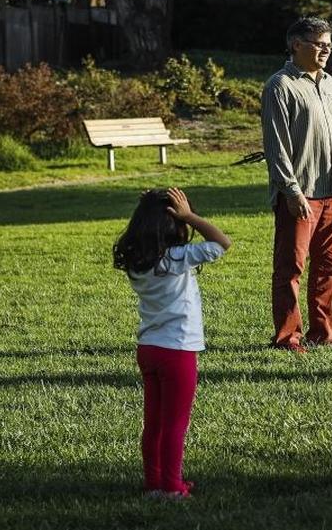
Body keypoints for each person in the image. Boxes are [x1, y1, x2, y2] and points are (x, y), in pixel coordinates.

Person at [113, 188, 232, 498]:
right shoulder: (177, 258)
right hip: (177, 350)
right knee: (175, 424)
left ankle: (154, 483)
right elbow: (222, 243)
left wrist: (151, 206)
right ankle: (172, 487)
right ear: (172, 224)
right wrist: (189, 216)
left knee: (153, 423)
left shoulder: (138, 261)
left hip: (148, 348)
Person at [261, 16, 332, 353]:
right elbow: (275, 146)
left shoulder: (330, 83)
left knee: (330, 266)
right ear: (295, 44)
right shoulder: (280, 86)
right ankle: (287, 337)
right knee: (291, 267)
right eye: (319, 44)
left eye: (328, 45)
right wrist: (291, 191)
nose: (326, 50)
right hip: (301, 193)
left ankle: (324, 333)